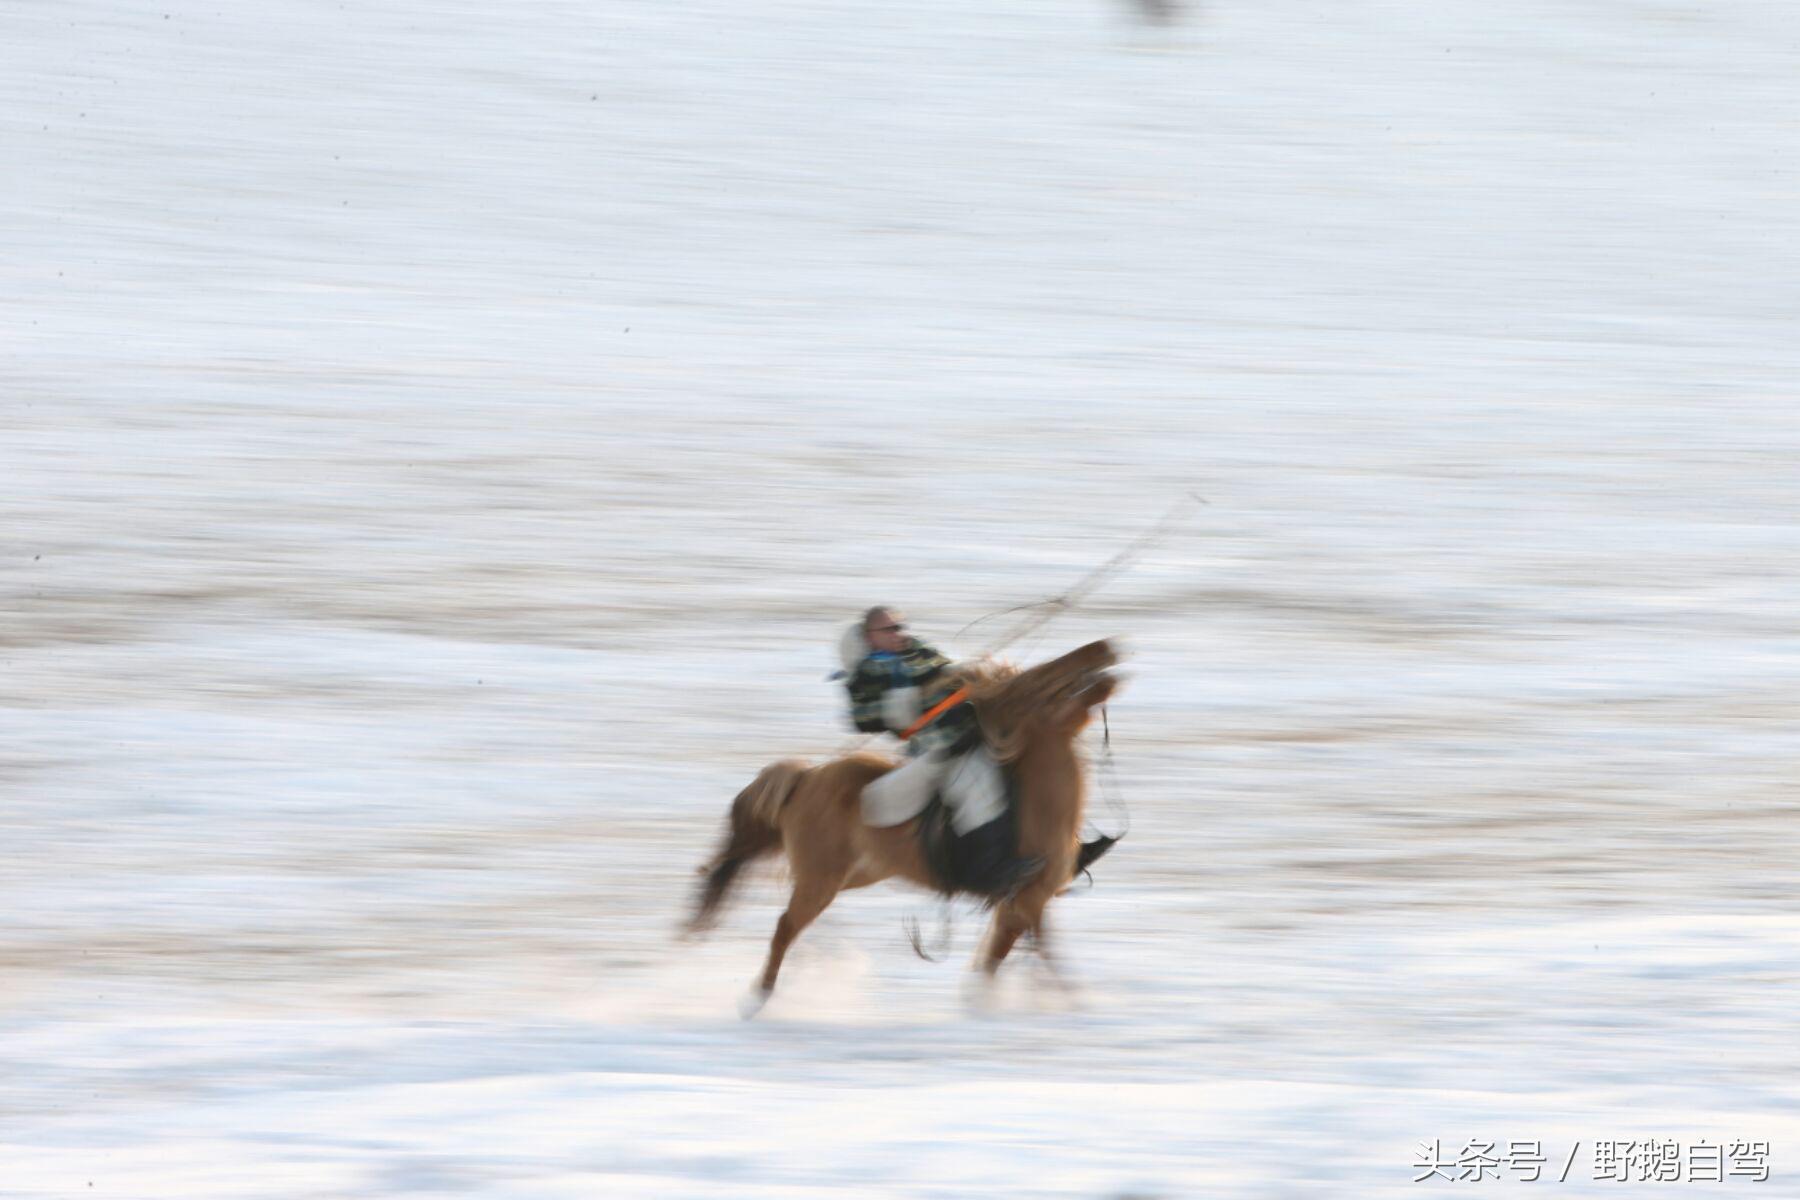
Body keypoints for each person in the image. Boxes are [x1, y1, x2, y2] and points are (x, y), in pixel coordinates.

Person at [842, 607, 1044, 898]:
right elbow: (865, 718)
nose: (899, 633)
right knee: (978, 788)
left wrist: (971, 674)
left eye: (900, 626)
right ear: (870, 637)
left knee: (1028, 766)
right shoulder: (869, 672)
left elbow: (946, 671)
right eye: (889, 630)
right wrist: (902, 700)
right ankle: (989, 873)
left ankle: (1062, 848)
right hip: (935, 746)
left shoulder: (919, 651)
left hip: (974, 729)